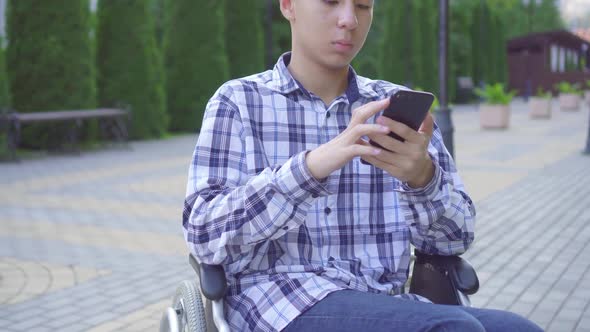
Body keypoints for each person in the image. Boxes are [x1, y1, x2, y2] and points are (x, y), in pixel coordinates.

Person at [182, 0, 543, 331]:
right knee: (453, 329)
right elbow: (203, 234)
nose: (349, 20)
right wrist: (309, 169)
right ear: (289, 5)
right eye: (331, 2)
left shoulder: (391, 108)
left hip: (386, 303)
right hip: (280, 304)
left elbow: (455, 240)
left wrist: (422, 180)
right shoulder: (239, 102)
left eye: (363, 6)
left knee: (519, 329)